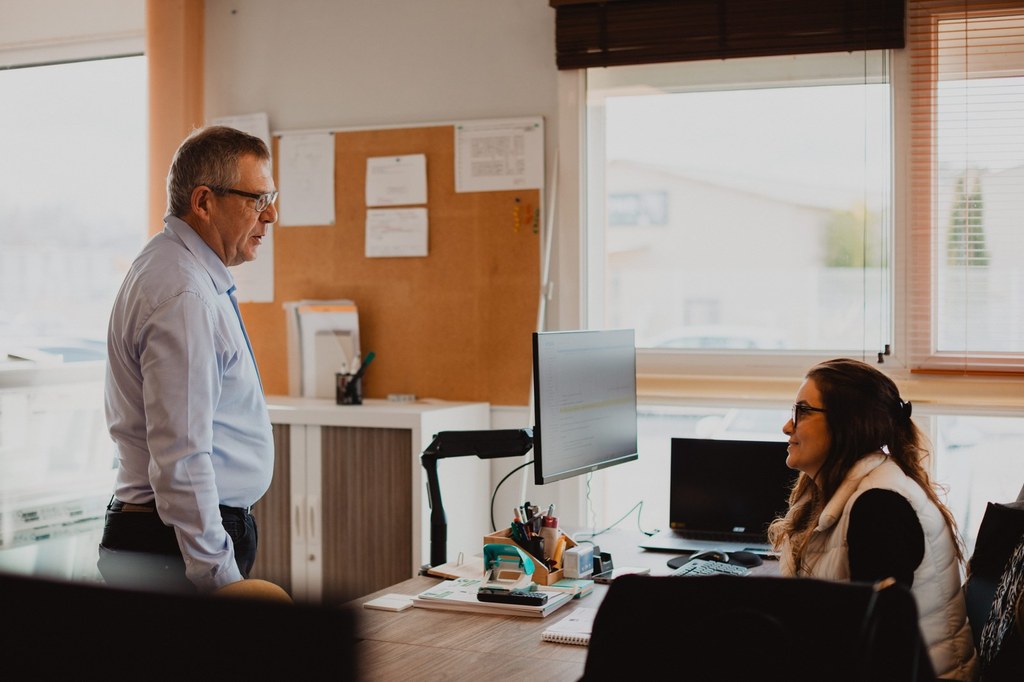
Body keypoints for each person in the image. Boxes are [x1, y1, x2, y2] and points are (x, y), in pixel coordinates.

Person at [98, 125, 277, 594]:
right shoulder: (184, 293)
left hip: (169, 540)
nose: (271, 214)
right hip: (173, 550)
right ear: (203, 202)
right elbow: (182, 455)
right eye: (257, 200)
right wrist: (220, 579)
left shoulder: (176, 268)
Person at [767, 357, 977, 680]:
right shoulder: (839, 490)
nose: (787, 426)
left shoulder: (879, 508)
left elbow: (882, 652)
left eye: (802, 411)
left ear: (846, 423)